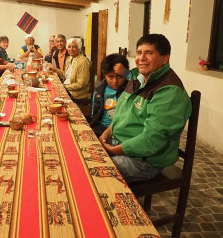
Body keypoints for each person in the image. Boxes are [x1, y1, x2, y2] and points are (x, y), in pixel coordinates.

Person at [99, 34, 192, 183]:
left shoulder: (169, 92)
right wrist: (107, 132)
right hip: (119, 144)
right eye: (139, 52)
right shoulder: (137, 78)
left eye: (149, 53)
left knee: (93, 173)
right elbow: (122, 114)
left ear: (165, 58)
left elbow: (151, 140)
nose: (141, 58)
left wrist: (113, 150)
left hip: (144, 161)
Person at [90, 53, 130, 138]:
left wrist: (126, 73)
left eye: (119, 77)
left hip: (120, 131)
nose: (115, 81)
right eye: (110, 77)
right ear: (105, 75)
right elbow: (95, 112)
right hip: (100, 128)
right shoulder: (99, 89)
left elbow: (138, 81)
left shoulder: (130, 89)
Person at [51, 37, 91, 104]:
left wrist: (64, 87)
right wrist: (55, 69)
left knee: (53, 97)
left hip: (76, 94)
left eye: (74, 47)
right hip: (67, 88)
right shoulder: (69, 59)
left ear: (79, 48)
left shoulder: (83, 61)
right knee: (51, 91)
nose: (71, 49)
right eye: (69, 47)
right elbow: (66, 75)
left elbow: (81, 84)